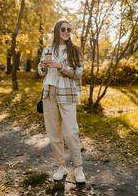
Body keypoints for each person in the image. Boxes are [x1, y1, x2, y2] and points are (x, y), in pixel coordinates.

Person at [37, 19, 86, 183]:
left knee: (71, 132)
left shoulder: (74, 51)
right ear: (57, 30)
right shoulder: (48, 49)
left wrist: (61, 66)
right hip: (49, 93)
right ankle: (61, 166)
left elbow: (78, 73)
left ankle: (78, 168)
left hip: (66, 94)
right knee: (53, 134)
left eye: (69, 29)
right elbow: (40, 71)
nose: (66, 32)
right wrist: (43, 67)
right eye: (63, 29)